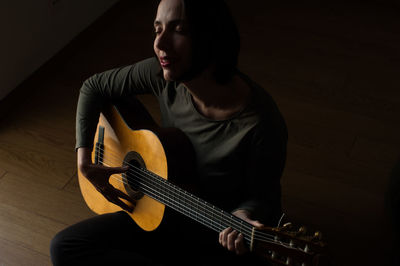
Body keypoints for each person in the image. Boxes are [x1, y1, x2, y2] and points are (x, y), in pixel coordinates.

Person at [50, 0, 288, 265]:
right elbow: (93, 88)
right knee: (64, 247)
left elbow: (264, 196)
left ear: (212, 37)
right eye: (157, 29)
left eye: (179, 30)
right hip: (160, 202)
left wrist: (243, 214)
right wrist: (85, 162)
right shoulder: (162, 74)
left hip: (212, 227)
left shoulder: (262, 123)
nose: (160, 44)